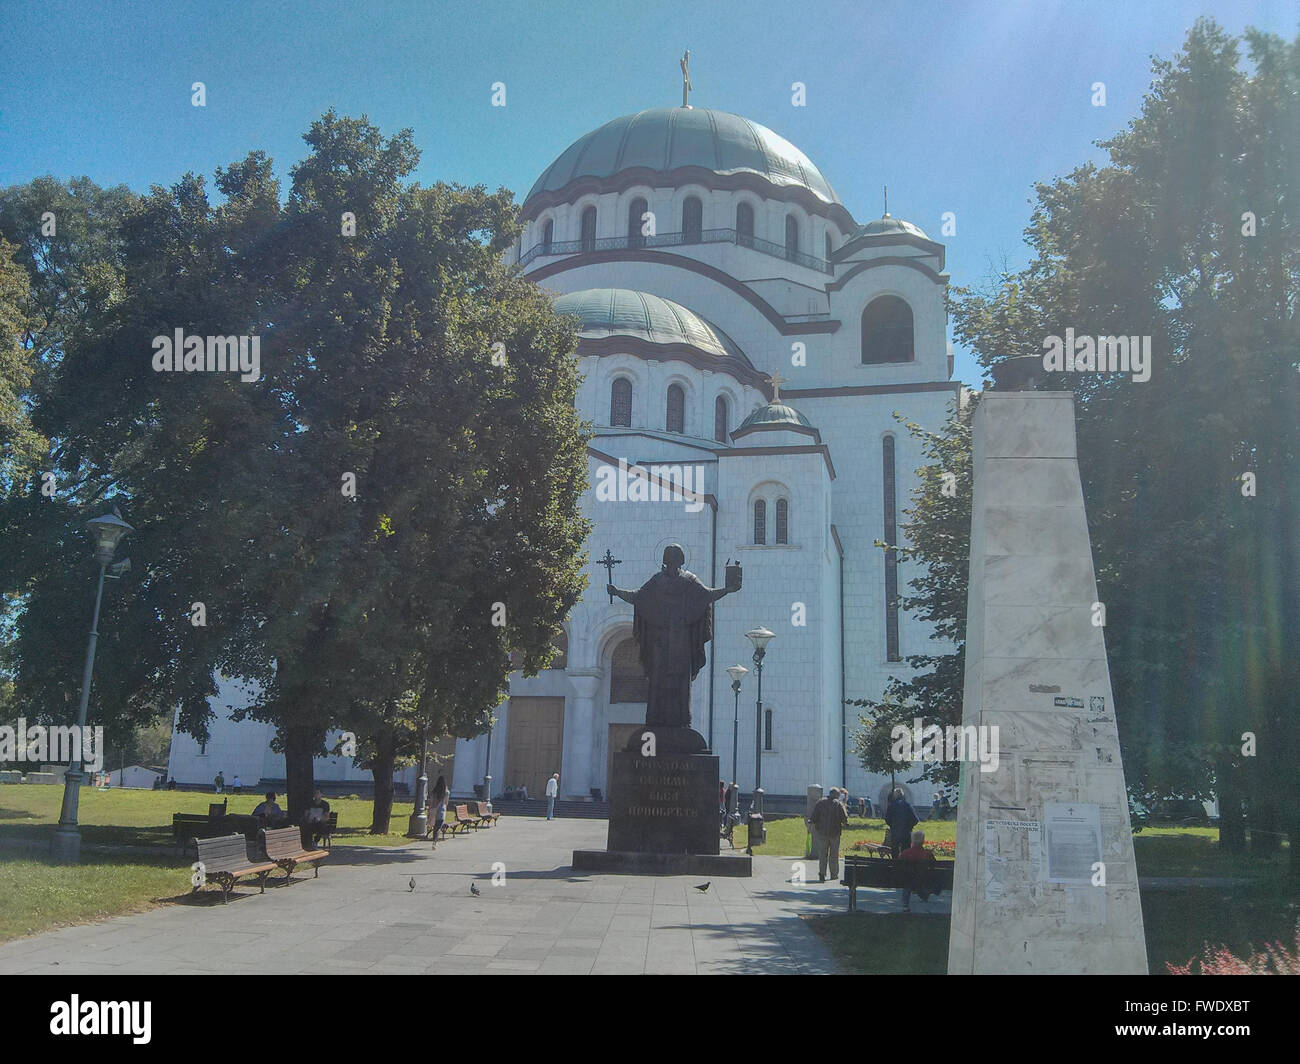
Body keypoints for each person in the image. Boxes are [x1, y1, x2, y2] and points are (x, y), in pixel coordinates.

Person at [809, 787, 849, 883]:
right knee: (834, 855)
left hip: (822, 833)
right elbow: (844, 818)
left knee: (823, 854)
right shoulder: (838, 804)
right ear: (836, 795)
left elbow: (814, 817)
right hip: (835, 833)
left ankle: (822, 873)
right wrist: (845, 823)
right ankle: (834, 874)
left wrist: (812, 823)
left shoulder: (820, 803)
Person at [899, 830, 937, 912]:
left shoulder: (905, 853)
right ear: (923, 841)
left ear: (912, 841)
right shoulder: (927, 854)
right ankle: (924, 895)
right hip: (922, 879)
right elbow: (934, 865)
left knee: (908, 883)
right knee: (919, 880)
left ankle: (905, 904)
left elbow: (899, 865)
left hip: (907, 880)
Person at [885, 788, 918, 859]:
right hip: (906, 832)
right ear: (902, 795)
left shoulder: (891, 806)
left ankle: (895, 865)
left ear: (894, 796)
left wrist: (893, 826)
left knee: (895, 851)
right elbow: (915, 819)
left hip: (895, 832)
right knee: (906, 852)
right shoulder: (907, 805)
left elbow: (887, 819)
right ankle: (905, 867)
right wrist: (909, 827)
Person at [428, 775, 449, 845]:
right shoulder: (446, 792)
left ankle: (434, 839)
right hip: (442, 811)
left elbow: (431, 801)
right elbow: (446, 802)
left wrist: (429, 810)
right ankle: (435, 841)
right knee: (438, 827)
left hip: (434, 810)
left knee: (435, 826)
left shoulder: (434, 791)